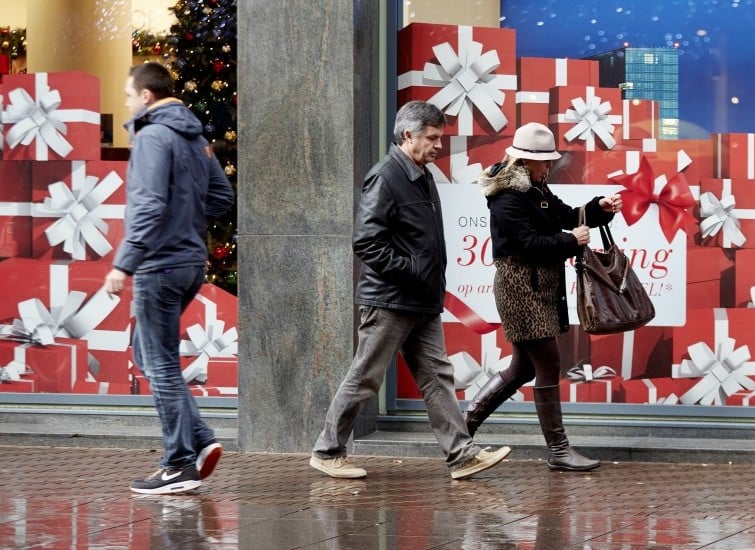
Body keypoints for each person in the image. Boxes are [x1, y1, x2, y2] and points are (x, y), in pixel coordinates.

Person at [310, 100, 512, 480]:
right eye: (432, 138)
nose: (438, 145)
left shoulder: (420, 173)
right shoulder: (386, 176)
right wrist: (413, 270)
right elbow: (367, 242)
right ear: (408, 135)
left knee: (437, 376)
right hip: (391, 299)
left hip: (420, 299)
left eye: (441, 137)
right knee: (366, 374)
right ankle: (328, 450)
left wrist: (425, 278)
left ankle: (461, 454)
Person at [104, 62, 234, 494]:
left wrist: (124, 263)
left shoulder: (153, 136)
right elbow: (221, 196)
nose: (126, 102)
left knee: (157, 362)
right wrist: (188, 228)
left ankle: (178, 463)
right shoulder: (196, 140)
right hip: (189, 263)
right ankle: (198, 439)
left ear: (146, 97)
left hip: (158, 265)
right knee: (147, 352)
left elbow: (147, 204)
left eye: (127, 94)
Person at [465, 122, 622, 472]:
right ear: (523, 162)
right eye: (544, 162)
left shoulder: (536, 189)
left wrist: (601, 207)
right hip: (521, 288)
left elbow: (566, 216)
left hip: (538, 287)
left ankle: (462, 429)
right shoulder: (507, 197)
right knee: (548, 363)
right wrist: (572, 241)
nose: (549, 166)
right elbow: (529, 245)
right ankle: (559, 450)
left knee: (522, 368)